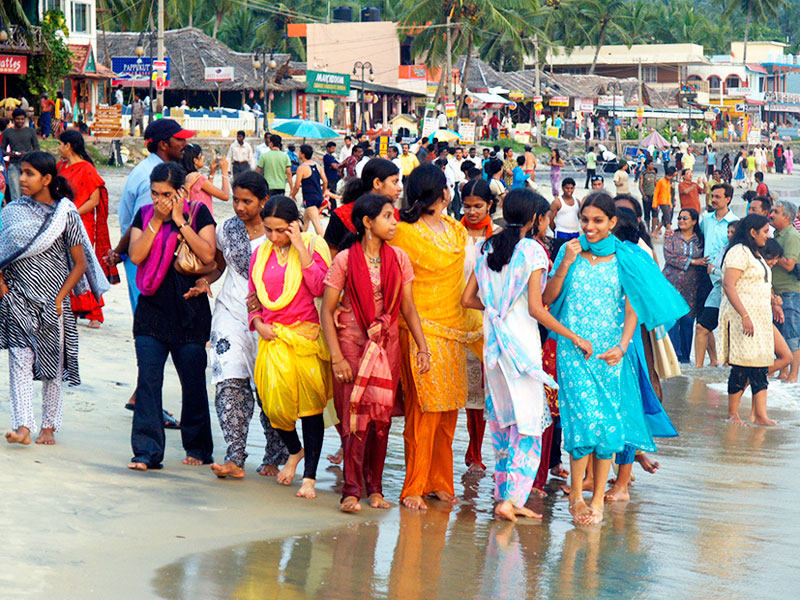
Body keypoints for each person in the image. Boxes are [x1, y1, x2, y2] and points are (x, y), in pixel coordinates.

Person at [543, 191, 687, 524]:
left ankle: (597, 501)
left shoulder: (625, 257)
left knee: (607, 423)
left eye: (597, 221)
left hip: (609, 353)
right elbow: (548, 297)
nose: (589, 227)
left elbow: (633, 307)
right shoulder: (569, 251)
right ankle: (576, 497)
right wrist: (564, 265)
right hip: (573, 350)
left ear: (612, 222)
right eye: (584, 220)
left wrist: (622, 346)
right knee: (582, 421)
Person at [462, 189, 590, 521]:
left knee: (503, 422)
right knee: (529, 423)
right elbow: (538, 307)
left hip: (494, 347)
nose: (548, 223)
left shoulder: (487, 247)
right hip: (521, 348)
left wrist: (498, 310)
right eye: (546, 217)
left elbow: (468, 299)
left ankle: (504, 495)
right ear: (535, 219)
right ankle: (511, 500)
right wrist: (573, 336)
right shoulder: (532, 250)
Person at [321, 194, 429, 512]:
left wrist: (422, 347)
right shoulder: (345, 260)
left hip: (386, 346)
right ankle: (351, 490)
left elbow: (408, 307)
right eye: (387, 216)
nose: (394, 222)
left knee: (380, 418)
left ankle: (375, 489)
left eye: (393, 216)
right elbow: (327, 310)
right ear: (368, 222)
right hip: (351, 343)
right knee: (353, 415)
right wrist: (337, 357)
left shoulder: (399, 259)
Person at [390, 164, 483, 510]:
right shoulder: (403, 232)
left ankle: (440, 481)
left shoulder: (456, 230)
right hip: (420, 330)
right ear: (440, 192)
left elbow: (468, 274)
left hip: (455, 329)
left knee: (448, 411)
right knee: (423, 411)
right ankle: (413, 486)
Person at [0, 152, 109, 445]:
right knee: (19, 360)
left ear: (47, 179)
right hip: (18, 298)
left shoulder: (65, 213)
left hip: (53, 301)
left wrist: (60, 298)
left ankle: (48, 426)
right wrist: (3, 288)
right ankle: (23, 426)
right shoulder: (12, 211)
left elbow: (80, 264)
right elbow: (2, 253)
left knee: (52, 365)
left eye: (29, 174)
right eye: (21, 172)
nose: (22, 179)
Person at [189, 172, 288, 479]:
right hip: (230, 311)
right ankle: (234, 457)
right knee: (228, 379)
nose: (240, 207)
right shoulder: (227, 229)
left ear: (264, 201)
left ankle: (275, 455)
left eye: (247, 201)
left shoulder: (279, 232)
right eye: (236, 200)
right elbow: (219, 264)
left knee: (268, 387)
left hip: (270, 317)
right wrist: (206, 280)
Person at [127, 162, 217, 470]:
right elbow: (136, 255)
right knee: (148, 380)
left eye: (166, 194)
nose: (159, 200)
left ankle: (199, 447)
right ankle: (146, 452)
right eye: (155, 193)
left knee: (192, 382)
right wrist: (157, 220)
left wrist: (180, 221)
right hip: (151, 310)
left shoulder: (199, 214)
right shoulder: (145, 216)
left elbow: (208, 255)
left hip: (189, 310)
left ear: (181, 193)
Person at [248, 196, 332, 499]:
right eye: (268, 230)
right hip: (272, 339)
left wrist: (298, 245)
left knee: (310, 409)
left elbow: (321, 286)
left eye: (280, 230)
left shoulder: (312, 246)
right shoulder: (260, 255)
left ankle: (309, 477)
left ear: (294, 225)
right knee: (272, 406)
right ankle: (295, 451)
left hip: (306, 338)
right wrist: (258, 324)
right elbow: (252, 298)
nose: (273, 237)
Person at [57, 130, 119, 328]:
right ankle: (72, 309)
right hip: (61, 222)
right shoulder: (60, 167)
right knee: (65, 266)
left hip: (82, 222)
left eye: (60, 144)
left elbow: (94, 200)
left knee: (83, 265)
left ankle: (94, 311)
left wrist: (72, 212)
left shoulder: (87, 169)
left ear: (68, 146)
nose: (58, 148)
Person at [719, 214, 776, 426]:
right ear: (753, 232)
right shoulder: (739, 252)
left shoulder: (755, 253)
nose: (768, 235)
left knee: (760, 365)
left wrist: (774, 303)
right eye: (765, 231)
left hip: (760, 320)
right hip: (742, 318)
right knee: (742, 365)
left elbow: (760, 284)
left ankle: (760, 414)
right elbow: (729, 285)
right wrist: (744, 315)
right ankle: (732, 414)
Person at [695, 182, 739, 368]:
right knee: (703, 320)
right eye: (712, 196)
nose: (713, 200)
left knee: (728, 322)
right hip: (706, 275)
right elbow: (700, 238)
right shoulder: (706, 219)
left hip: (726, 278)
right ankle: (712, 360)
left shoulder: (735, 222)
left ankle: (729, 362)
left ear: (728, 199)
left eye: (717, 197)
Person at [325, 158, 402, 257]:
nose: (400, 188)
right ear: (377, 183)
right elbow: (330, 257)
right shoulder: (341, 215)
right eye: (394, 182)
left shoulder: (397, 216)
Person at [662, 208, 705, 363]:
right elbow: (670, 257)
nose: (681, 221)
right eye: (679, 218)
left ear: (694, 221)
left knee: (688, 321)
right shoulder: (671, 237)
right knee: (673, 319)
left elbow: (705, 257)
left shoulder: (700, 239)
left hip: (692, 286)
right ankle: (673, 357)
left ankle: (686, 358)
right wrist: (693, 262)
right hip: (672, 283)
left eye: (685, 218)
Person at [769, 201, 800, 382]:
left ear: (786, 217)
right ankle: (783, 372)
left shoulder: (792, 236)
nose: (772, 215)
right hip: (777, 293)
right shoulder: (777, 235)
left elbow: (789, 264)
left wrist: (770, 254)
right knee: (779, 335)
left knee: (792, 335)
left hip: (790, 292)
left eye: (776, 212)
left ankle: (793, 376)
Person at [1, 108, 40, 202]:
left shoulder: (30, 131)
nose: (20, 121)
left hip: (28, 165)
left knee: (29, 192)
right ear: (13, 119)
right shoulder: (7, 132)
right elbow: (2, 149)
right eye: (18, 119)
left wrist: (26, 154)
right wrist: (10, 154)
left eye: (22, 119)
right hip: (13, 164)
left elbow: (36, 148)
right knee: (15, 193)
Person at [181, 144, 231, 216]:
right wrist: (224, 171)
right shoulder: (198, 178)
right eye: (201, 156)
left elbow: (207, 191)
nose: (203, 158)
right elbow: (225, 196)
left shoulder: (188, 177)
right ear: (195, 160)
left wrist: (212, 173)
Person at [290, 144, 328, 236]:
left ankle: (325, 243)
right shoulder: (317, 166)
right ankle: (301, 239)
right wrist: (323, 193)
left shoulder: (302, 168)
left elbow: (297, 185)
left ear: (302, 154)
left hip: (309, 198)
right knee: (305, 221)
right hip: (318, 196)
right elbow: (325, 181)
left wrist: (293, 195)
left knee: (316, 224)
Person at [651, 165, 676, 238]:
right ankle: (669, 233)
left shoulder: (668, 182)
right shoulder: (661, 182)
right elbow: (656, 193)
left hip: (668, 202)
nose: (669, 177)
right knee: (668, 218)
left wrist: (671, 204)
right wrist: (654, 203)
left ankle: (655, 232)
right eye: (668, 176)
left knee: (664, 219)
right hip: (662, 202)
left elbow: (669, 194)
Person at [639, 160, 657, 231]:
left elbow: (656, 184)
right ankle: (648, 229)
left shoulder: (653, 174)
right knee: (647, 214)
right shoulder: (643, 174)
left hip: (653, 196)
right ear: (647, 165)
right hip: (646, 196)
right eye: (651, 164)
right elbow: (640, 186)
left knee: (655, 214)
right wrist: (643, 195)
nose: (653, 166)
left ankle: (653, 229)